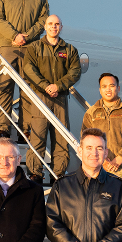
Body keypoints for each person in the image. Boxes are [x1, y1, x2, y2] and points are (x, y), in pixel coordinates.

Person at [0, 0, 49, 139]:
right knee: (4, 86)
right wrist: (14, 35)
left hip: (31, 48)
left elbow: (43, 20)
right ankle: (3, 127)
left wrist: (28, 36)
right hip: (8, 46)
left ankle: (25, 129)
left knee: (28, 89)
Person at [22, 15, 81, 183]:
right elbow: (29, 68)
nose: (53, 27)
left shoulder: (69, 50)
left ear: (61, 27)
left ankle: (58, 175)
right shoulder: (35, 48)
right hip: (41, 97)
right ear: (45, 27)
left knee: (61, 138)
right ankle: (36, 174)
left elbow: (74, 71)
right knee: (38, 136)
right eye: (50, 24)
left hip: (60, 99)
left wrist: (58, 86)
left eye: (56, 24)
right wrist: (45, 86)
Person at [81, 73, 122, 187]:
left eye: (112, 86)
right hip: (98, 167)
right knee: (98, 203)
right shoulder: (91, 113)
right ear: (100, 90)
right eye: (104, 86)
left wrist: (119, 159)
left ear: (118, 88)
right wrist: (103, 161)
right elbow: (86, 140)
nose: (108, 89)